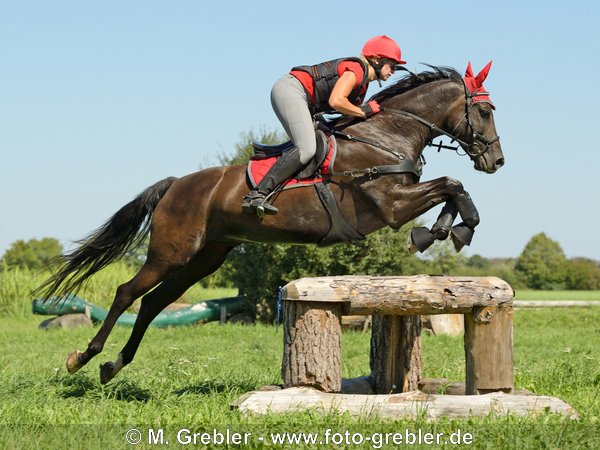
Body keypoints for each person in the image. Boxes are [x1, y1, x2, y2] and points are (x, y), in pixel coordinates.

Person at [242, 35, 406, 216]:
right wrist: (364, 111)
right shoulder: (357, 70)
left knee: (327, 139)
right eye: (392, 65)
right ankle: (258, 194)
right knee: (307, 148)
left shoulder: (363, 84)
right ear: (376, 59)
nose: (394, 71)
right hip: (291, 90)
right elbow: (336, 101)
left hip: (305, 101)